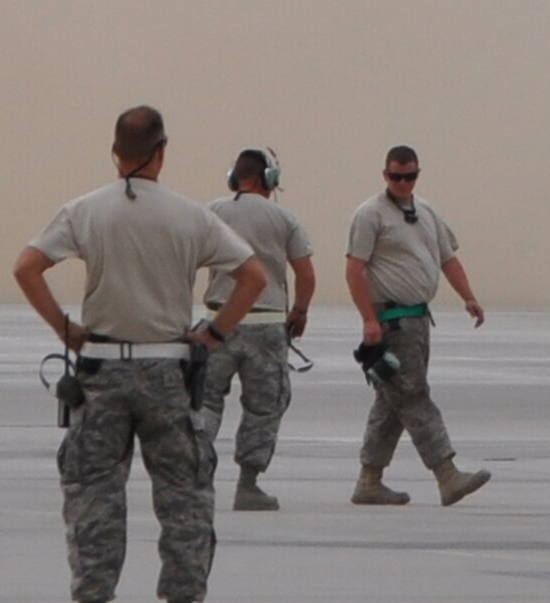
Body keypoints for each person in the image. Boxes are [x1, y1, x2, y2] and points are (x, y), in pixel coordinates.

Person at [13, 106, 266, 603]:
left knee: (94, 499)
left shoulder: (84, 210)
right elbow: (254, 276)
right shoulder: (190, 217)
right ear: (161, 151)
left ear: (115, 152)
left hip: (101, 368)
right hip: (169, 371)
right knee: (185, 499)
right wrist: (215, 334)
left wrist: (65, 329)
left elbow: (27, 267)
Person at [344, 143, 490, 508]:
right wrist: (368, 319)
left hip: (418, 320)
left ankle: (369, 480)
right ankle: (446, 473)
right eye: (396, 176)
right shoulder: (370, 215)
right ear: (385, 174)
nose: (403, 183)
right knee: (413, 397)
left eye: (409, 176)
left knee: (392, 402)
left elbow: (448, 258)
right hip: (391, 322)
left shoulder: (426, 212)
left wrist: (468, 297)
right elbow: (354, 270)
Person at [200, 146, 316, 511]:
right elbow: (306, 275)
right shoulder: (284, 219)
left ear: (234, 177)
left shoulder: (211, 213)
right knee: (265, 407)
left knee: (204, 400)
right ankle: (247, 486)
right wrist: (299, 310)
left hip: (218, 322)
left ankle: (196, 477)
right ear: (270, 180)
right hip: (266, 325)